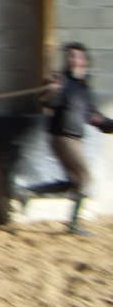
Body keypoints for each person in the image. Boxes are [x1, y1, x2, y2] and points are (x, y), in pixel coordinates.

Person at [40, 42, 113, 235]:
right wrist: (52, 91)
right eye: (71, 56)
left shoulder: (83, 89)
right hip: (62, 137)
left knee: (74, 181)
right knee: (85, 177)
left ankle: (28, 192)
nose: (73, 59)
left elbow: (93, 116)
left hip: (71, 138)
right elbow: (47, 103)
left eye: (78, 56)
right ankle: (73, 225)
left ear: (85, 61)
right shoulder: (62, 82)